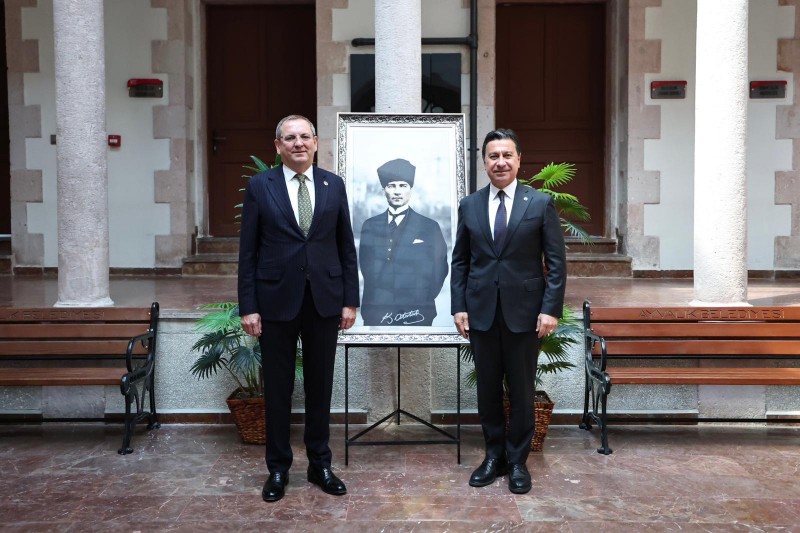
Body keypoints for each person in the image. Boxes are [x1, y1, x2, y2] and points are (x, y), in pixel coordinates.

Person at [238, 114, 359, 503]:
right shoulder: (261, 186)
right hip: (275, 301)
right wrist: (248, 306)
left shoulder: (332, 184)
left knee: (320, 386)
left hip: (324, 300)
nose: (298, 143)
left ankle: (320, 464)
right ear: (278, 146)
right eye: (290, 138)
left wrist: (350, 300)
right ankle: (278, 468)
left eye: (305, 136)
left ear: (316, 142)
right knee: (278, 388)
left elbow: (345, 246)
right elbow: (248, 252)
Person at [450, 129, 566, 494]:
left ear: (518, 160)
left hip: (526, 314)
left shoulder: (540, 203)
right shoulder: (470, 205)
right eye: (493, 156)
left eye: (506, 155)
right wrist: (459, 307)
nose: (500, 162)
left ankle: (517, 462)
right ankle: (493, 457)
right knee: (487, 390)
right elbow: (461, 261)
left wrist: (550, 310)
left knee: (520, 390)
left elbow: (556, 263)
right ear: (484, 162)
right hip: (481, 312)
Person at [358, 158, 448, 326]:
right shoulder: (370, 225)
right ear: (384, 190)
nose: (397, 191)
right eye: (391, 186)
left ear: (411, 189)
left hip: (417, 309)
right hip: (377, 309)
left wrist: (423, 297)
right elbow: (366, 267)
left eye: (403, 186)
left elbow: (440, 267)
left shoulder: (429, 226)